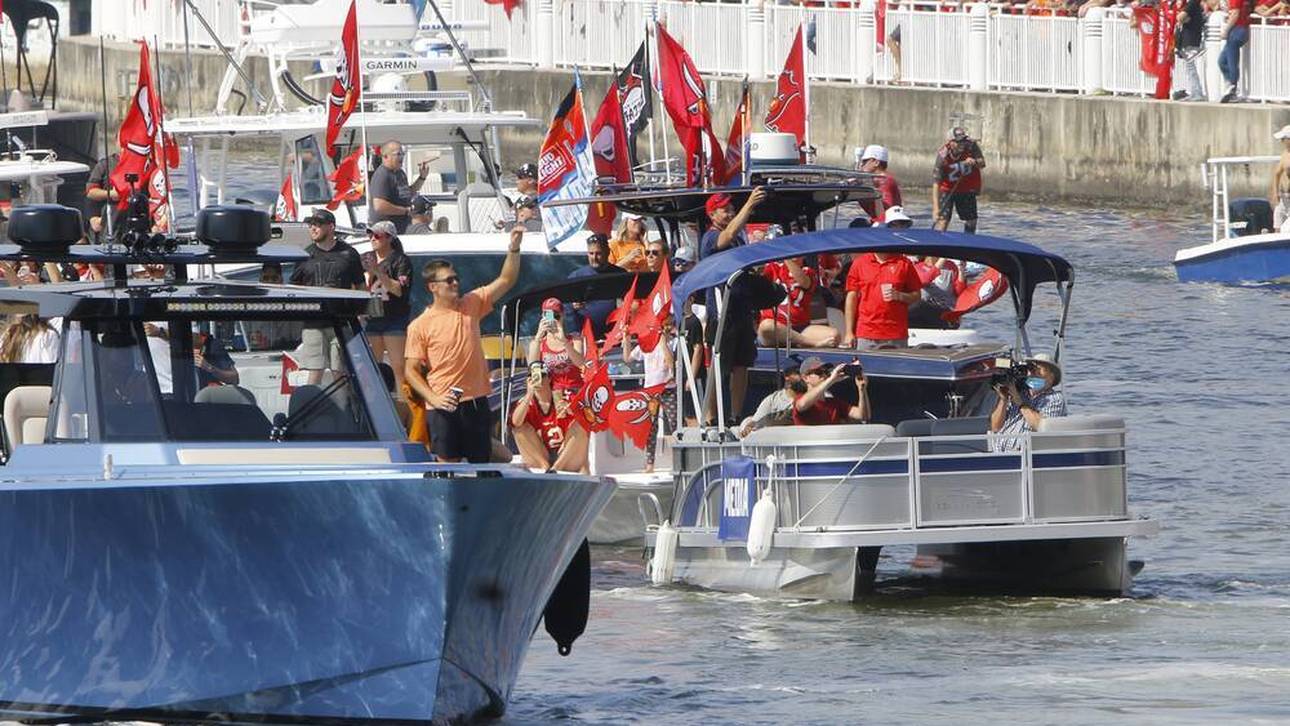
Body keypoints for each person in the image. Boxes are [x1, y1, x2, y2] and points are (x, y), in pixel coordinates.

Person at [405, 225, 524, 463]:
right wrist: (434, 398)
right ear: (433, 287)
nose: (455, 283)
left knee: (482, 467)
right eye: (448, 280)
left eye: (456, 278)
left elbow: (506, 279)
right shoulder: (420, 325)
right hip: (443, 405)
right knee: (447, 466)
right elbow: (411, 370)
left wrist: (514, 247)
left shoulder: (471, 304)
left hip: (476, 401)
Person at [700, 189, 766, 424]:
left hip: (741, 308)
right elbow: (725, 237)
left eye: (732, 209)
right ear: (712, 214)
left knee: (741, 364)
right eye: (725, 210)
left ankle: (735, 416)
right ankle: (710, 417)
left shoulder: (739, 239)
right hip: (721, 310)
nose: (730, 212)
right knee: (719, 364)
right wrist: (749, 205)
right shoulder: (710, 237)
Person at [290, 209, 365, 384]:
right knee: (314, 369)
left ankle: (345, 407)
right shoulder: (304, 255)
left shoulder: (349, 254)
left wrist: (361, 313)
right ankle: (310, 406)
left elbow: (360, 285)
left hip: (341, 320)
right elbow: (294, 287)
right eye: (310, 225)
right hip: (313, 322)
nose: (313, 228)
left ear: (331, 227)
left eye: (317, 225)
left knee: (340, 370)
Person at [363, 220, 414, 395]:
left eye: (377, 235)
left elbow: (398, 290)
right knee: (373, 368)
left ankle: (403, 405)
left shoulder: (400, 260)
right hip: (372, 317)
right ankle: (376, 403)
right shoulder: (365, 257)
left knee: (398, 367)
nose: (372, 238)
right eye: (370, 234)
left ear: (390, 238)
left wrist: (378, 271)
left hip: (394, 318)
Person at [510, 361, 588, 472]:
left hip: (565, 454)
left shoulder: (562, 396)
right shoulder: (527, 403)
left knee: (582, 425)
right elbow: (515, 423)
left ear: (549, 379)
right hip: (541, 454)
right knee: (520, 429)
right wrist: (529, 394)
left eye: (542, 376)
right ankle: (545, 466)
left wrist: (572, 411)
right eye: (533, 377)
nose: (538, 380)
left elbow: (588, 420)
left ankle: (556, 468)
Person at [625, 317, 677, 473]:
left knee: (674, 424)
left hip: (668, 389)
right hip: (650, 391)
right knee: (650, 427)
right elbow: (627, 358)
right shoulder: (645, 344)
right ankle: (650, 464)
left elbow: (670, 363)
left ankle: (678, 460)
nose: (666, 328)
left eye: (669, 324)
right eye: (664, 325)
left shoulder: (674, 343)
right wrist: (626, 339)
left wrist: (662, 342)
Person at [843, 250, 923, 349]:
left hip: (896, 333)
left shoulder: (904, 263)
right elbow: (851, 297)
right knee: (866, 364)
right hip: (866, 332)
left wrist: (899, 296)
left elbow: (917, 295)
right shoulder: (860, 263)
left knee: (896, 365)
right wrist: (848, 332)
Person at [989, 353, 1068, 451]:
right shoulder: (1019, 393)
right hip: (999, 454)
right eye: (1031, 369)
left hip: (1026, 458)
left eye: (1038, 370)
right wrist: (1004, 399)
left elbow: (1041, 426)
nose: (1033, 373)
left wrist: (1020, 403)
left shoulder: (1055, 399)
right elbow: (995, 427)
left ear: (1051, 377)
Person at [757, 255, 839, 348]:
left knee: (834, 335)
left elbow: (804, 282)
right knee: (766, 326)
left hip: (799, 327)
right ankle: (810, 343)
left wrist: (787, 258)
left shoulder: (809, 272)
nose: (793, 254)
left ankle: (795, 340)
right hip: (774, 328)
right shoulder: (774, 268)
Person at [528, 297, 586, 400]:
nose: (552, 320)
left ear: (562, 316)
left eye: (556, 316)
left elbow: (580, 363)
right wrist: (538, 337)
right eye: (548, 315)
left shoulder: (574, 339)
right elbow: (533, 367)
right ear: (542, 317)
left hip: (575, 392)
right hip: (554, 395)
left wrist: (564, 341)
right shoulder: (538, 343)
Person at [931, 127, 986, 234]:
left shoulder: (971, 146)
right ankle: (938, 243)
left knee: (971, 221)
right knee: (943, 221)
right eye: (958, 142)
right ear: (951, 142)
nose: (962, 144)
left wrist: (974, 161)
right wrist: (935, 208)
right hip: (947, 189)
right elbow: (936, 183)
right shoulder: (943, 155)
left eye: (963, 141)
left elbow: (982, 163)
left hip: (966, 189)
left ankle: (969, 242)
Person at [368, 141, 431, 234]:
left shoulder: (400, 173)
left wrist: (422, 177)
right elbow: (379, 206)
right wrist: (405, 211)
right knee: (421, 231)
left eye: (402, 154)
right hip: (389, 232)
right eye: (398, 154)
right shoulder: (382, 175)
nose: (402, 157)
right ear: (385, 156)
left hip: (403, 226)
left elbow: (408, 193)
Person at [791, 357, 870, 426]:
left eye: (825, 372)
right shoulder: (799, 398)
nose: (824, 375)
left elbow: (863, 416)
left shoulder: (835, 403)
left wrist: (862, 389)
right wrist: (831, 379)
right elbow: (802, 405)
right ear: (805, 378)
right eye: (819, 372)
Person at [566, 234, 618, 338]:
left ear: (607, 252)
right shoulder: (576, 277)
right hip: (584, 338)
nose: (594, 257)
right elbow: (561, 306)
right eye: (591, 253)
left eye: (598, 253)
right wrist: (573, 305)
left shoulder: (619, 275)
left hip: (614, 337)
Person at [738, 363, 802, 437]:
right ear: (787, 378)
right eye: (799, 373)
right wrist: (748, 429)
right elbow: (754, 423)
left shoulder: (810, 398)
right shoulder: (773, 400)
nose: (804, 377)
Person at [1173, 0, 1208, 101]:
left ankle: (1197, 92)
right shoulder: (1193, 5)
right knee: (1189, 67)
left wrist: (1182, 18)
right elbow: (1184, 18)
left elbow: (1180, 17)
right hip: (1190, 38)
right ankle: (1194, 91)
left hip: (1190, 39)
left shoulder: (1192, 4)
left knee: (1190, 67)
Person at [1219, 0, 1253, 103]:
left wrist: (1226, 30)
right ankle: (1231, 85)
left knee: (1232, 62)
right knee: (1222, 61)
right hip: (1240, 29)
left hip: (1237, 30)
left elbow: (1235, 14)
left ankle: (1233, 89)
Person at [857, 145, 902, 221]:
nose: (861, 165)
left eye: (865, 161)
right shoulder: (880, 180)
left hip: (886, 226)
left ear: (876, 163)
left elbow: (886, 214)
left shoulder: (885, 180)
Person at [84, 152, 121, 236]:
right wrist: (112, 194)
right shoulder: (105, 164)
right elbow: (90, 192)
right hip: (109, 220)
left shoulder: (146, 162)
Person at [1271, 125, 1290, 232]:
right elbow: (1277, 174)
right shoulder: (1285, 154)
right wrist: (1275, 192)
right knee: (1277, 225)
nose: (1281, 142)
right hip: (1283, 198)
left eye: (1283, 139)